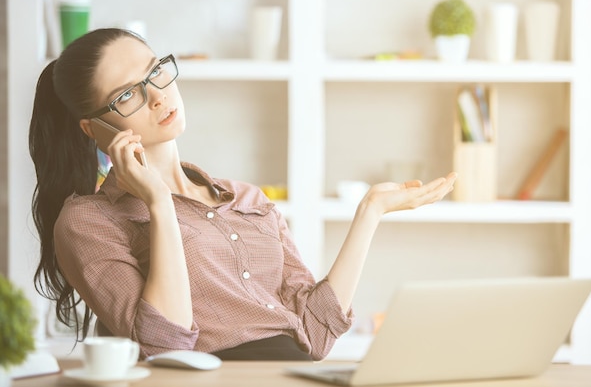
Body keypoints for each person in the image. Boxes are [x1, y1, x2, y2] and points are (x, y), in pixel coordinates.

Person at [29, 28, 457, 361]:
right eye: (126, 95)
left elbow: (317, 331)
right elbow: (166, 343)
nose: (157, 96)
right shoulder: (88, 221)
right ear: (94, 129)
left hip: (295, 374)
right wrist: (159, 203)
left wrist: (370, 212)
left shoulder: (246, 198)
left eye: (155, 72)